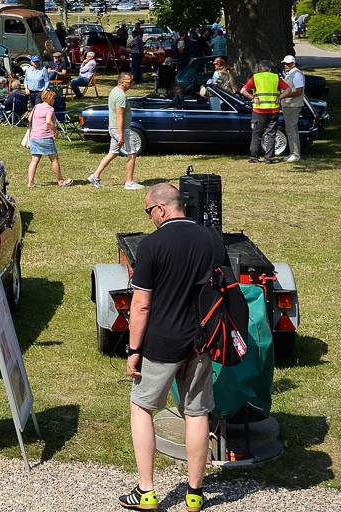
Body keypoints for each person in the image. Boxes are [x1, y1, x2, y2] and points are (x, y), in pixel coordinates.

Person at [119, 183, 226, 512]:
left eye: (148, 211)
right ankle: (195, 494)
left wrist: (133, 350)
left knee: (141, 407)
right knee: (197, 413)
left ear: (161, 209)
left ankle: (146, 491)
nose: (149, 218)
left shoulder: (152, 245)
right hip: (202, 340)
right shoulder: (211, 238)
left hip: (162, 343)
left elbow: (141, 305)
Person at [89, 73, 143, 190]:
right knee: (132, 153)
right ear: (122, 83)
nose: (132, 84)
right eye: (130, 82)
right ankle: (129, 182)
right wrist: (121, 135)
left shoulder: (115, 91)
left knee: (113, 152)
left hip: (114, 128)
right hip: (121, 129)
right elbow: (119, 116)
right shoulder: (120, 96)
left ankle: (95, 175)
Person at [240, 60, 288, 164]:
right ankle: (269, 158)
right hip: (273, 110)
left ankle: (254, 158)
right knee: (271, 134)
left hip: (259, 111)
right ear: (270, 69)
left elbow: (243, 90)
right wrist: (280, 97)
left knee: (256, 134)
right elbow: (288, 90)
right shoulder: (276, 77)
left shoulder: (256, 77)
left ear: (260, 68)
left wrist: (253, 97)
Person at [26, 89, 72, 187]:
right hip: (45, 137)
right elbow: (48, 121)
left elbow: (29, 118)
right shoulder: (49, 109)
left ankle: (30, 182)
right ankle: (60, 181)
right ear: (50, 99)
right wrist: (55, 131)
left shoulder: (36, 106)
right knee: (54, 159)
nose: (55, 100)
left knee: (34, 160)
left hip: (34, 136)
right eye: (54, 98)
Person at [278, 55, 306, 163]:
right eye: (284, 64)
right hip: (288, 105)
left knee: (291, 129)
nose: (285, 65)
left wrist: (283, 96)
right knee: (289, 129)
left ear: (293, 64)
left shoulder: (297, 74)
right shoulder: (290, 74)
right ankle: (292, 153)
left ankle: (295, 154)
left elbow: (299, 91)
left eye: (288, 64)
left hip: (293, 105)